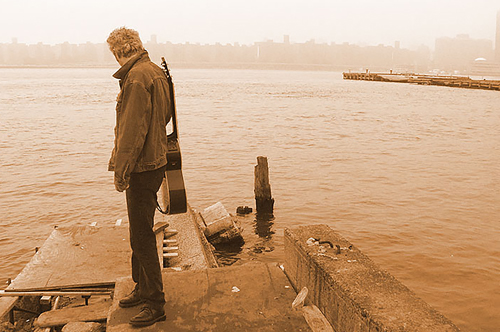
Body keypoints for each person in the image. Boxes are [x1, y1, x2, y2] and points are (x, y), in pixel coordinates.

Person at [106, 27, 171, 327]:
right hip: (156, 162)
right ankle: (142, 287)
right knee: (140, 230)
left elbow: (131, 133)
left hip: (141, 167)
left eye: (114, 54)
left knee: (142, 236)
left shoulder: (134, 79)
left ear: (121, 51)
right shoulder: (156, 72)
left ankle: (155, 302)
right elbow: (165, 117)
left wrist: (121, 171)